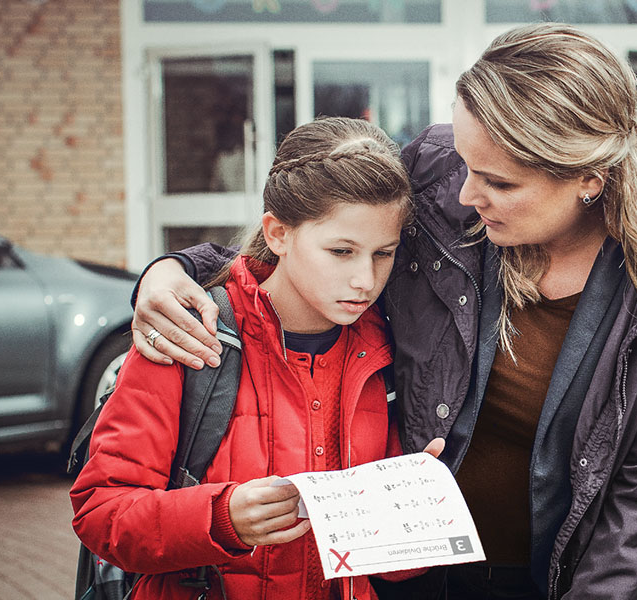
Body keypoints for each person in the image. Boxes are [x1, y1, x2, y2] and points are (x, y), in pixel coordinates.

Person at [129, 23, 637, 600]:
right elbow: (313, 236)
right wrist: (180, 269)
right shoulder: (444, 171)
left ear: (590, 178)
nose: (468, 193)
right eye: (467, 162)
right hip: (421, 576)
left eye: (499, 181)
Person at [71, 117, 435, 600]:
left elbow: (392, 572)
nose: (365, 280)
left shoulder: (388, 348)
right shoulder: (189, 334)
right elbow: (101, 513)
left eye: (383, 253)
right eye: (341, 251)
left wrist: (414, 515)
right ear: (278, 233)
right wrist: (221, 519)